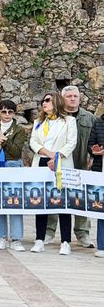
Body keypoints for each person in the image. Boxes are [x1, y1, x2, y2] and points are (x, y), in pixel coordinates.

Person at [46, 86, 95, 247]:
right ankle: (49, 231)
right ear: (62, 98)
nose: (73, 99)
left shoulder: (89, 118)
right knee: (54, 196)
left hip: (81, 164)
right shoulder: (55, 117)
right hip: (59, 163)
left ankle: (83, 233)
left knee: (81, 198)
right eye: (69, 96)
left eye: (75, 96)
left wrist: (93, 156)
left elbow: (95, 139)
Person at [29, 92, 77, 255]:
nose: (44, 103)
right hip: (42, 161)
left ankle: (65, 241)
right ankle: (39, 239)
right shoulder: (38, 122)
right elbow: (33, 142)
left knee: (62, 202)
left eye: (48, 100)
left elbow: (71, 143)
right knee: (40, 201)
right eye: (43, 100)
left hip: (61, 163)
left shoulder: (69, 121)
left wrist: (57, 157)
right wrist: (49, 154)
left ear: (56, 101)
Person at [0, 100, 27, 251]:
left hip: (13, 165)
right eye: (3, 111)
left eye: (10, 112)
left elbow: (16, 151)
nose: (7, 115)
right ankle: (0, 237)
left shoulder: (19, 130)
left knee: (14, 201)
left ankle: (16, 238)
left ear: (14, 113)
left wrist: (3, 138)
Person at [88, 110, 104, 258]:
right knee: (102, 208)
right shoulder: (98, 122)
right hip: (101, 170)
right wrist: (94, 150)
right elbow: (90, 144)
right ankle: (102, 245)